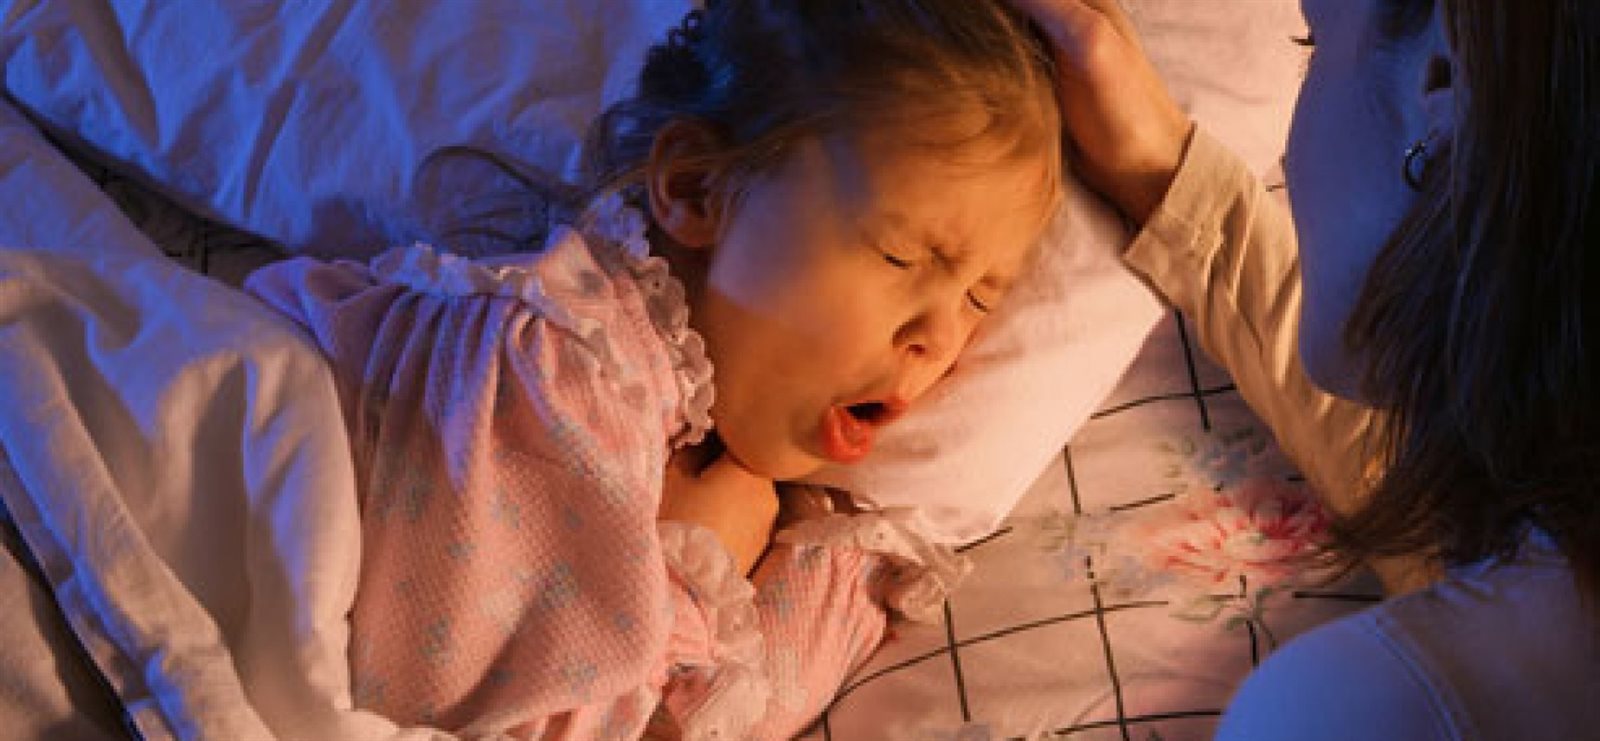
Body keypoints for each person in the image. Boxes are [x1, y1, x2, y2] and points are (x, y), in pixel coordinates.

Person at [246, 1, 1062, 738]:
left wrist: (830, 561)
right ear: (697, 188)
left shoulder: (729, 454)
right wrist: (699, 563)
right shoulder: (550, 362)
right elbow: (472, 714)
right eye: (901, 255)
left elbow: (732, 714)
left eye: (981, 298)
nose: (939, 336)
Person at [1014, 0, 1600, 737]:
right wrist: (1167, 176)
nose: (1292, 158)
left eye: (1312, 47)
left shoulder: (1365, 706)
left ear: (1442, 80)